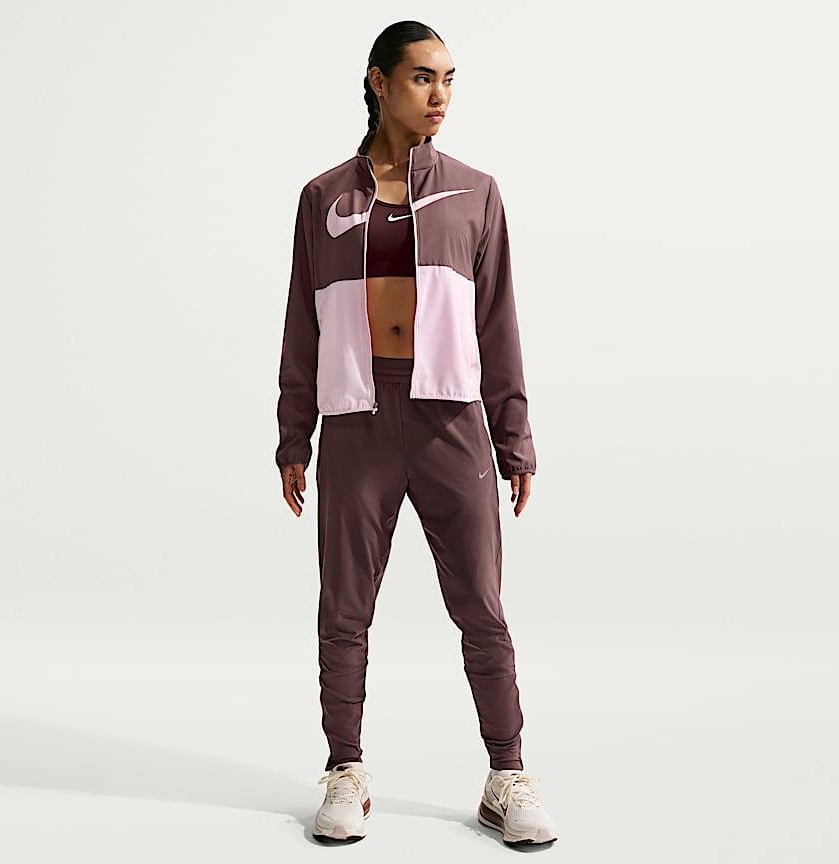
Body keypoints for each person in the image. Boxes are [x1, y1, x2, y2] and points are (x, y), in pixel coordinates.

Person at [275, 20, 558, 847]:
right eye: (422, 78)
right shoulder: (324, 197)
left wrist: (513, 437)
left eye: (449, 79)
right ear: (378, 82)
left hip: (449, 422)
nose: (440, 95)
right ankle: (345, 769)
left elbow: (498, 323)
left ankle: (507, 774)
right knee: (344, 607)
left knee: (481, 606)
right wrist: (294, 435)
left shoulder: (475, 192)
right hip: (357, 420)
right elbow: (301, 325)